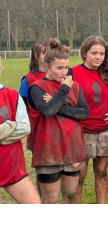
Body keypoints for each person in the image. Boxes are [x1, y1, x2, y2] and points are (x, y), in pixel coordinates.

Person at [28, 39, 89, 204]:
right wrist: (64, 90)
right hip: (49, 149)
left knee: (70, 194)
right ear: (47, 66)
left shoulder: (75, 86)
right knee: (50, 199)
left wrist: (58, 104)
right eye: (59, 68)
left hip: (72, 146)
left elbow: (84, 113)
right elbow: (48, 111)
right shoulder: (37, 87)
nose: (64, 72)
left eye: (67, 67)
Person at [72, 36, 108, 204]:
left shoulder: (107, 73)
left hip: (104, 130)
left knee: (101, 171)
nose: (98, 57)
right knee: (79, 175)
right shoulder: (72, 72)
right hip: (81, 131)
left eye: (101, 53)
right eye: (94, 53)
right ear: (84, 53)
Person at [0, 58, 41, 204]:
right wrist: (9, 126)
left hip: (11, 166)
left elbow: (24, 128)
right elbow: (16, 127)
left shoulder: (11, 95)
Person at [19, 39, 50, 151]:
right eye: (45, 53)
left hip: (57, 127)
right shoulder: (28, 79)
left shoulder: (61, 75)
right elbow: (21, 106)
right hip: (38, 127)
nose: (49, 56)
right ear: (37, 56)